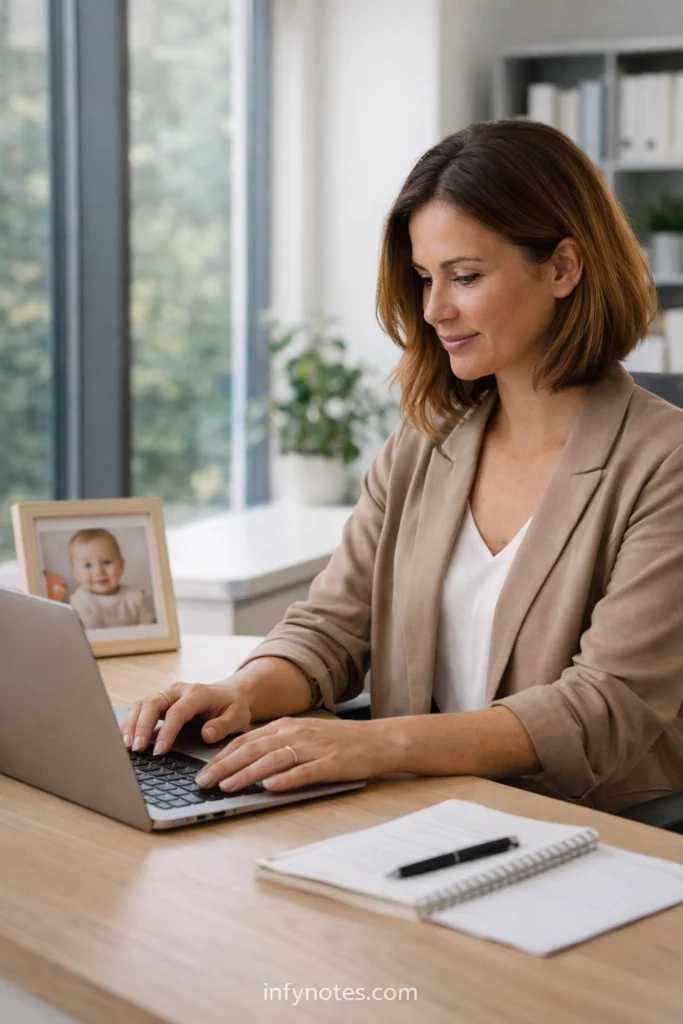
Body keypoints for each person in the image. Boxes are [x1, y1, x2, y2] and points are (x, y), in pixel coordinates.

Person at [121, 120, 683, 815]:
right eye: (423, 278)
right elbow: (332, 626)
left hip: (594, 827)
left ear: (564, 268)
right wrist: (244, 690)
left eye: (465, 276)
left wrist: (378, 746)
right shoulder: (424, 445)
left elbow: (604, 706)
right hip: (422, 813)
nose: (434, 309)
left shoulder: (664, 463)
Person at [68, 528, 156, 629]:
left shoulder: (136, 597)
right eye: (88, 565)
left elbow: (149, 629)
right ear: (75, 572)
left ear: (121, 565)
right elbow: (92, 635)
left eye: (106, 562)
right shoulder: (79, 601)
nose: (98, 571)